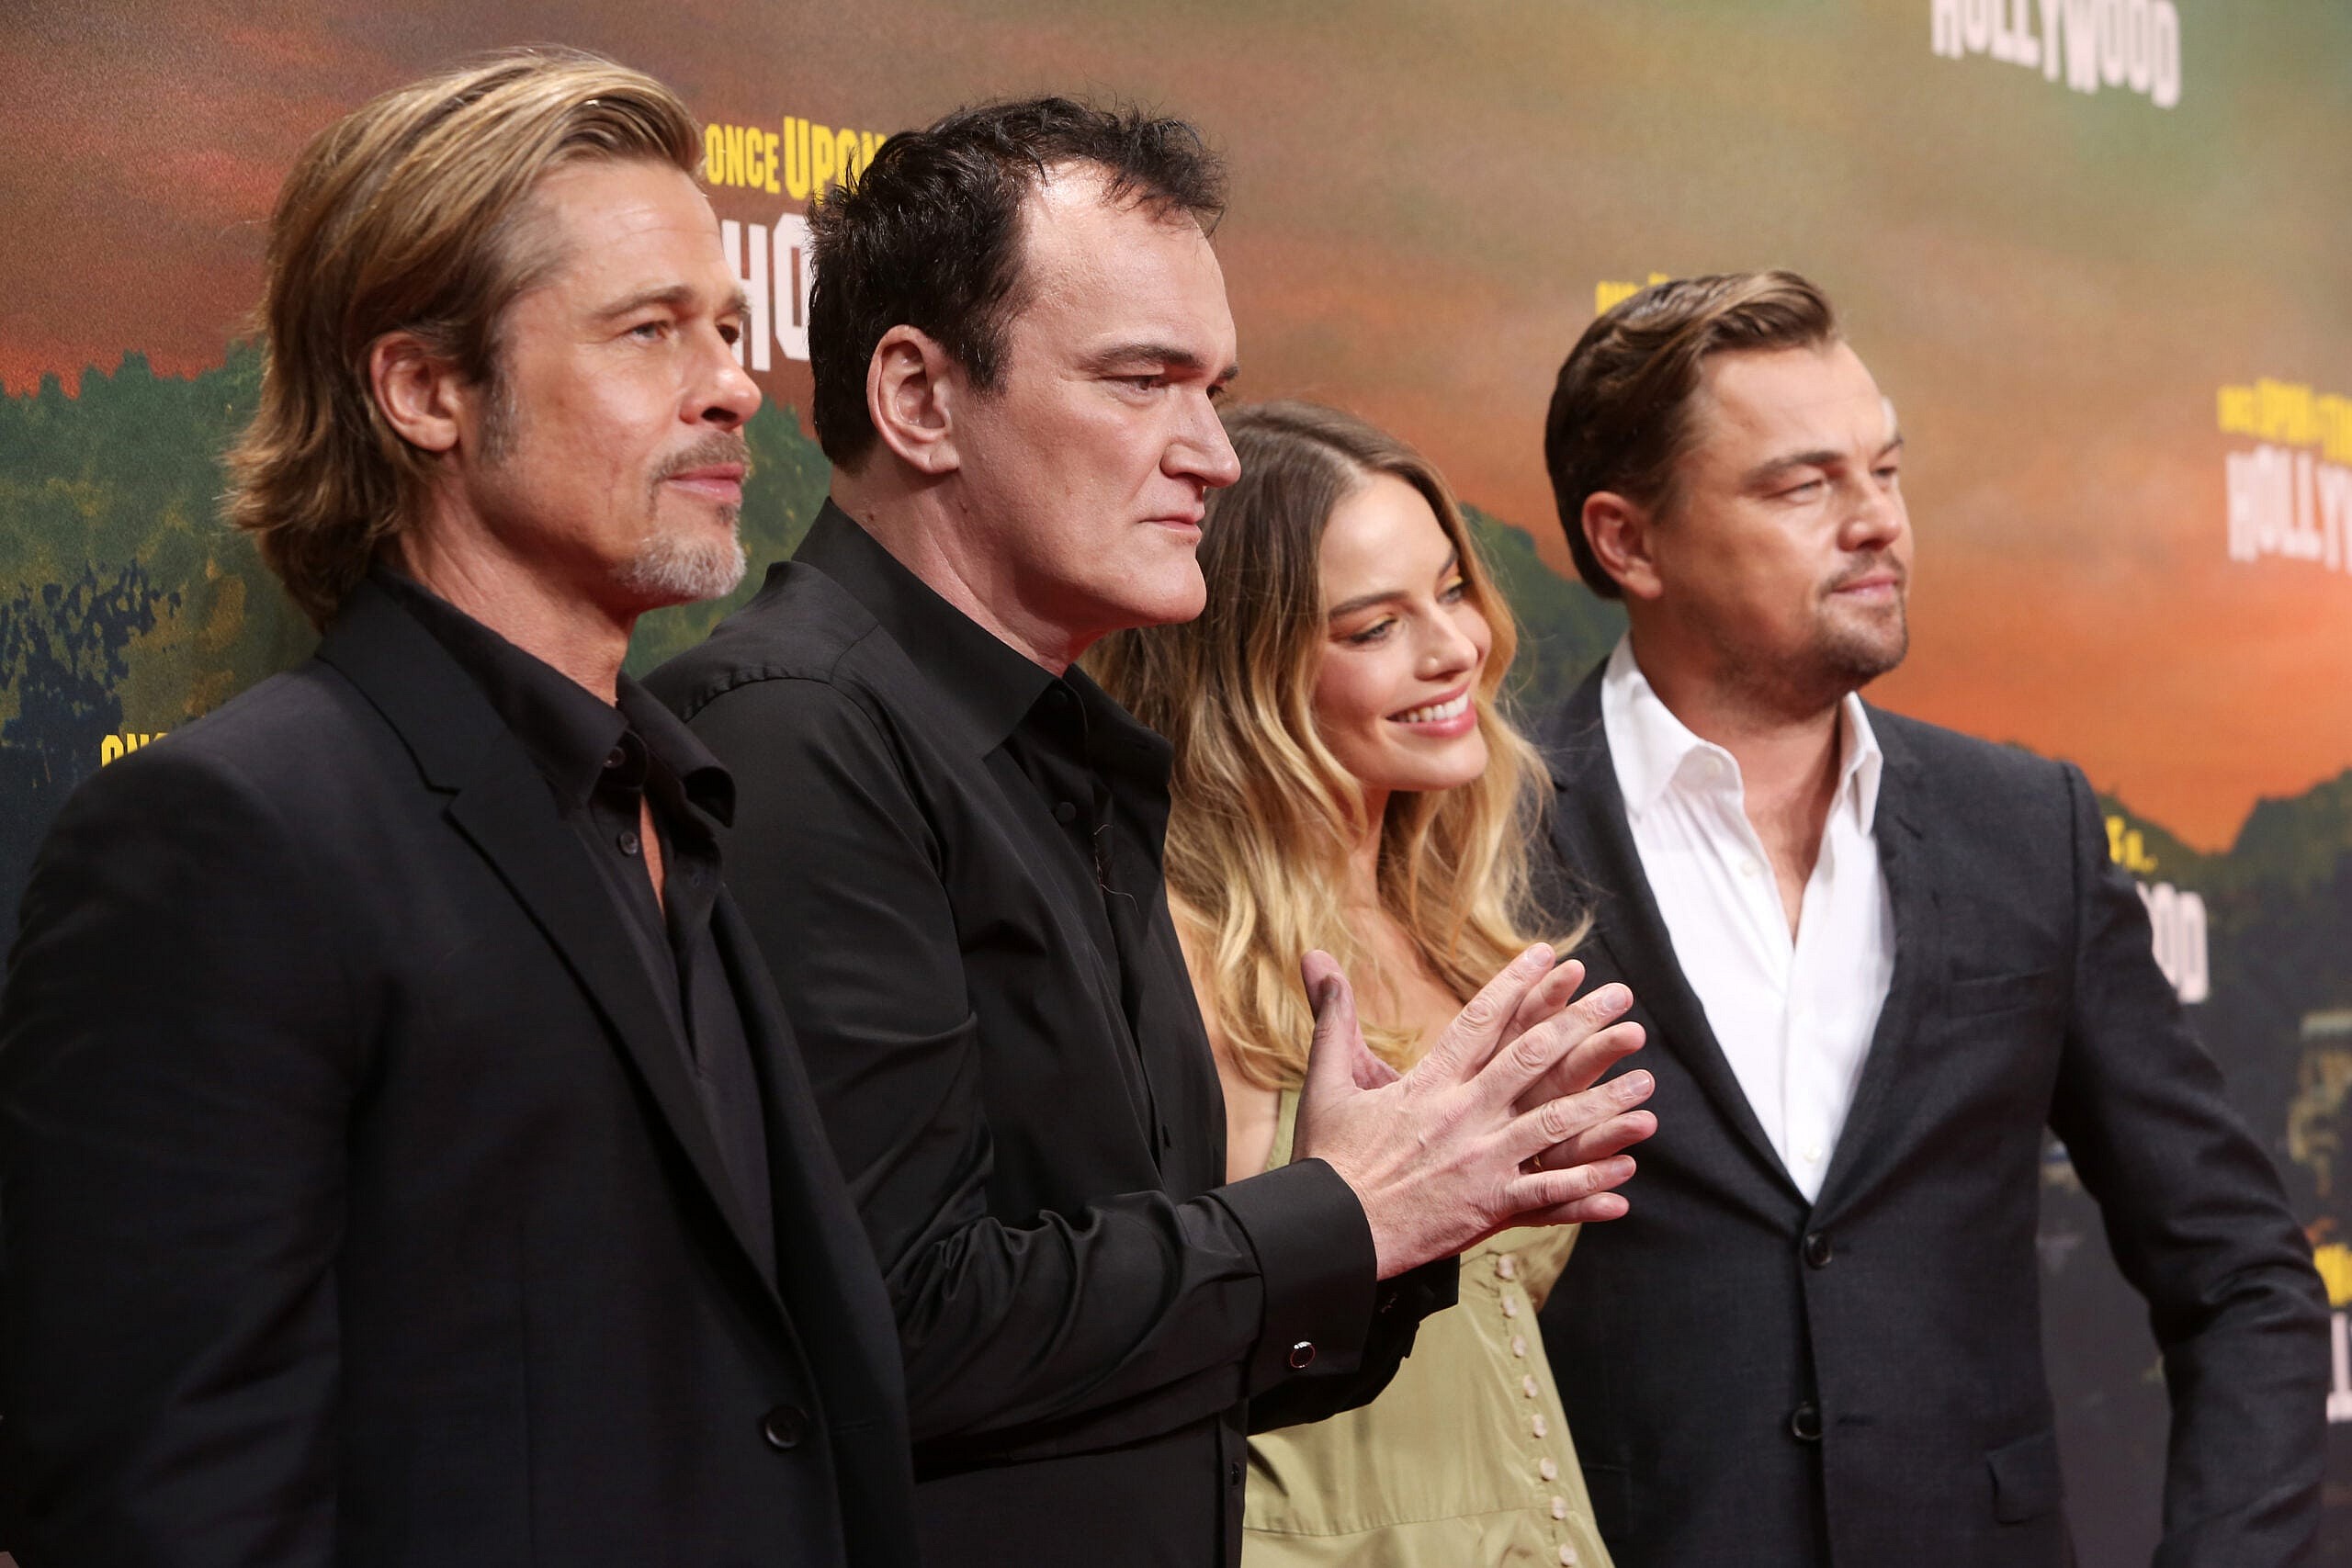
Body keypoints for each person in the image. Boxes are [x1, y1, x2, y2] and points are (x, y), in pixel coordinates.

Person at [646, 98, 1657, 1568]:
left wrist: (1379, 1225)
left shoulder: (1060, 752)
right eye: (1142, 384)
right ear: (920, 399)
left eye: (1215, 390)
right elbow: (894, 1316)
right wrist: (1341, 1212)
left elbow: (1153, 1358)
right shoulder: (793, 733)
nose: (1214, 456)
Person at [0, 51, 918, 1567]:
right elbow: (167, 1507)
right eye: (648, 331)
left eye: (731, 328)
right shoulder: (225, 839)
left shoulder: (677, 801)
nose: (735, 382)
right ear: (426, 389)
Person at [1532, 269, 2331, 1566]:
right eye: (1803, 486)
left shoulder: (2026, 829)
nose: (1877, 524)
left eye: (1886, 471)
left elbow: (2246, 1273)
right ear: (1628, 541)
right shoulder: (1472, 832)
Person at [1091, 400, 1625, 1568]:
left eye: (1450, 590)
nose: (1454, 648)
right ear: (1244, 669)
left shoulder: (1459, 932)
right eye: (1375, 625)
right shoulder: (1180, 947)